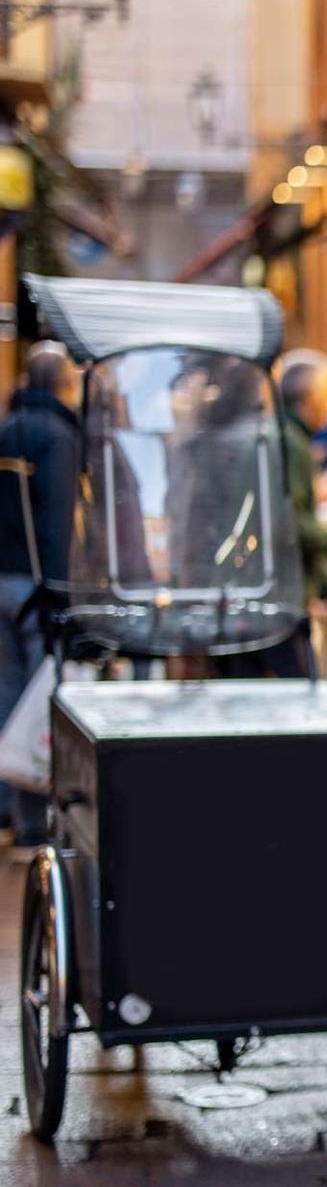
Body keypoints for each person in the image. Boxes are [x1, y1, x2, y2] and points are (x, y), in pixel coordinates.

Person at [0, 342, 82, 842]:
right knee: (40, 702)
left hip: (2, 581)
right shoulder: (58, 435)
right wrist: (61, 594)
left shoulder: (7, 429)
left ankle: (8, 809)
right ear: (64, 384)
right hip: (35, 585)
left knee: (9, 695)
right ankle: (34, 822)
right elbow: (57, 522)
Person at [279, 354, 327, 612]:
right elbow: (293, 520)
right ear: (311, 397)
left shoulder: (294, 438)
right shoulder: (292, 443)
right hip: (290, 596)